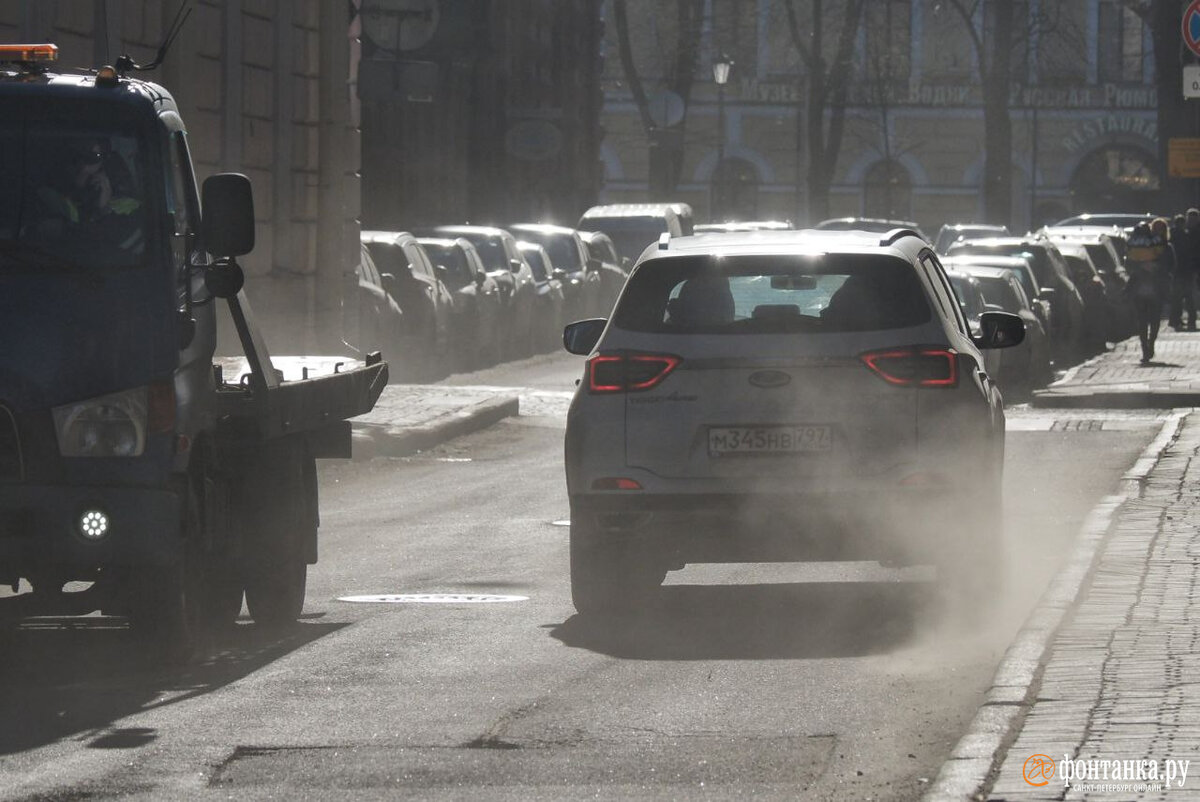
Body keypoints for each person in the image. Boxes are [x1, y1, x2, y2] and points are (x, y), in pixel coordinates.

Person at [1125, 220, 1173, 363]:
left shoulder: (1159, 247)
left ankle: (1148, 346)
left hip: (1150, 288)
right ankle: (1147, 347)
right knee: (1149, 320)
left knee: (1147, 320)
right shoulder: (1161, 246)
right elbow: (1171, 265)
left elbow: (1128, 265)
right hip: (1148, 289)